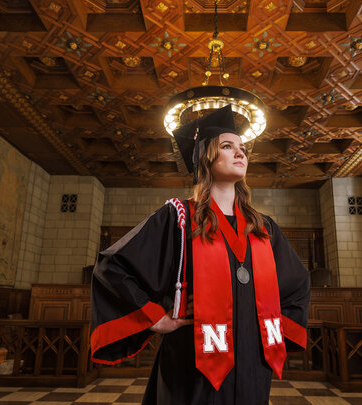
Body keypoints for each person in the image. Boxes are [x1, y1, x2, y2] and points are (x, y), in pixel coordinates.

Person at [90, 105, 310, 404]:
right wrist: (156, 318)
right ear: (206, 156)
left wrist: (269, 325)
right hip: (192, 359)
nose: (240, 153)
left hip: (253, 362)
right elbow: (111, 267)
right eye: (228, 146)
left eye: (243, 148)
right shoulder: (178, 218)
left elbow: (297, 283)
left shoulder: (263, 227)